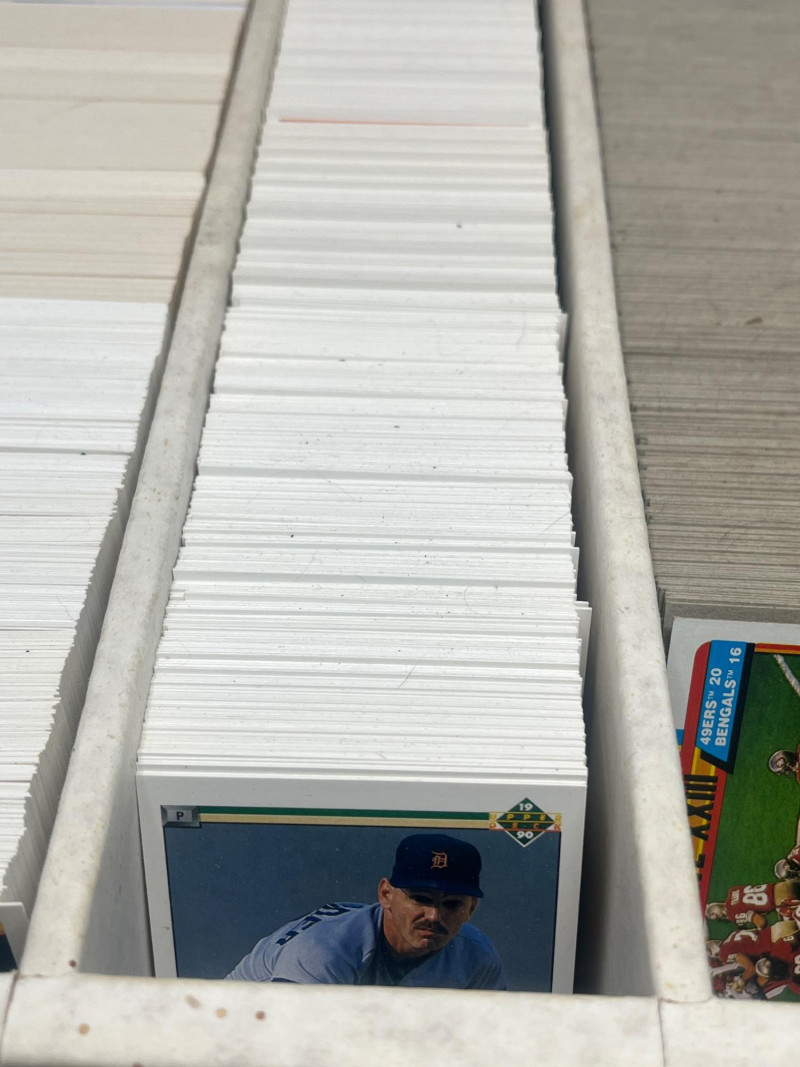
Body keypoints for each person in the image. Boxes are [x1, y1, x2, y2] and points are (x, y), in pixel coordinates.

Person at [225, 833, 506, 988]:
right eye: (421, 899)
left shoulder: (476, 955)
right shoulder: (324, 951)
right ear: (386, 894)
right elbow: (291, 1044)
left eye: (452, 904)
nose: (434, 916)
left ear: (471, 908)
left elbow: (492, 1041)